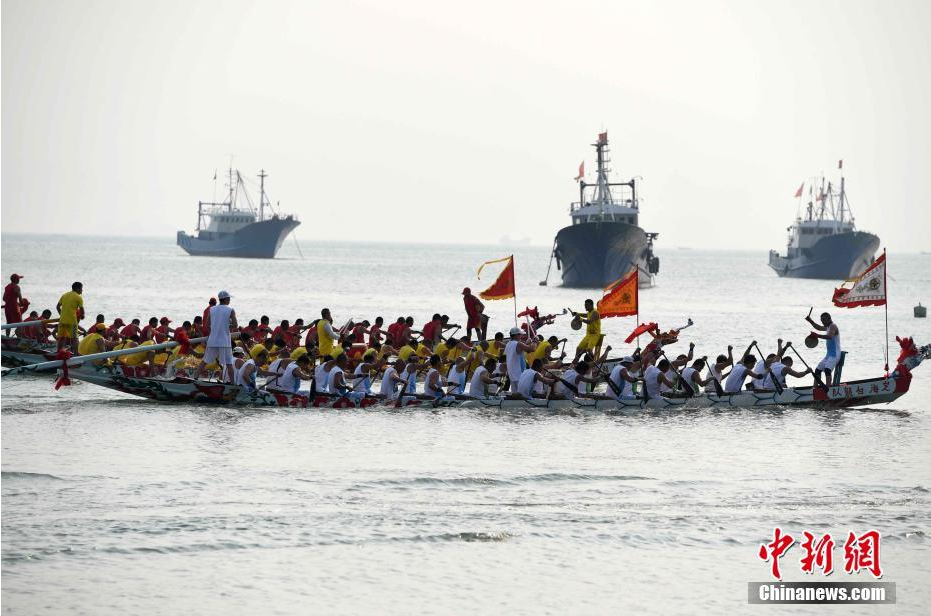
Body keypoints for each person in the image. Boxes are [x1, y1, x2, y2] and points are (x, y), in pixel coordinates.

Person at [197, 290, 238, 383]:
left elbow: (206, 325)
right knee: (229, 363)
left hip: (213, 340)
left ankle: (195, 377)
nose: (230, 300)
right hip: (224, 341)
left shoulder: (212, 309)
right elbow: (235, 325)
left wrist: (214, 331)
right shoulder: (231, 310)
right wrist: (227, 326)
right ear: (226, 299)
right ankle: (233, 384)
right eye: (229, 298)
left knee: (204, 361)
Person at [806, 311, 841, 387]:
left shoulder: (833, 326)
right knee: (817, 370)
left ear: (829, 319)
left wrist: (817, 335)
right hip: (829, 355)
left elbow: (830, 336)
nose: (823, 322)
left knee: (827, 370)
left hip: (835, 354)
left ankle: (828, 389)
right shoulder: (828, 327)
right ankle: (814, 388)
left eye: (824, 320)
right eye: (822, 320)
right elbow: (818, 327)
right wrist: (810, 321)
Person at [56, 281, 85, 353]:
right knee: (75, 338)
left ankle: (58, 352)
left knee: (62, 338)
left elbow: (57, 307)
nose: (82, 290)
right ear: (77, 288)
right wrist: (83, 315)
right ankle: (76, 354)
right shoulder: (78, 297)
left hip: (62, 320)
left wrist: (62, 315)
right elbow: (81, 309)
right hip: (72, 321)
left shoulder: (64, 295)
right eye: (81, 288)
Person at [504, 327, 535, 392]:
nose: (521, 336)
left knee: (515, 395)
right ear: (517, 335)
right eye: (520, 334)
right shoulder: (518, 344)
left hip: (512, 375)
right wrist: (535, 341)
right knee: (522, 394)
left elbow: (519, 350)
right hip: (519, 375)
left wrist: (526, 343)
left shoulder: (508, 344)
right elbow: (531, 349)